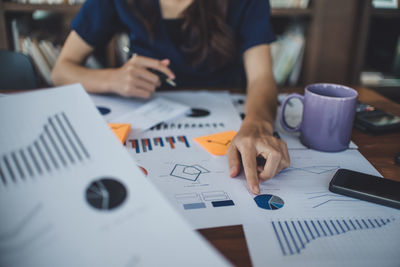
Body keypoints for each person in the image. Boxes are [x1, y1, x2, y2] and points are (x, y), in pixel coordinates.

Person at [51, 0, 290, 194]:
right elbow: (61, 70)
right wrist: (113, 79)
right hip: (148, 124)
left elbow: (261, 77)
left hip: (226, 118)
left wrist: (257, 124)